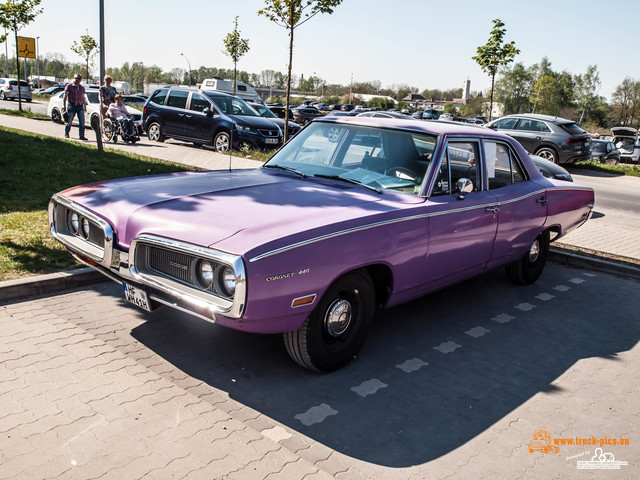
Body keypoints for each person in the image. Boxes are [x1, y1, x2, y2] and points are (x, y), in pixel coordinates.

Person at [63, 73, 88, 140]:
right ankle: (66, 133)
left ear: (81, 80)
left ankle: (81, 135)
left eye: (79, 79)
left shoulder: (82, 88)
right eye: (76, 78)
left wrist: (84, 106)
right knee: (69, 121)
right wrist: (64, 106)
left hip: (80, 106)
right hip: (71, 105)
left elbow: (83, 98)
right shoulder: (69, 86)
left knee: (82, 122)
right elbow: (65, 96)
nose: (77, 80)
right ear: (73, 78)